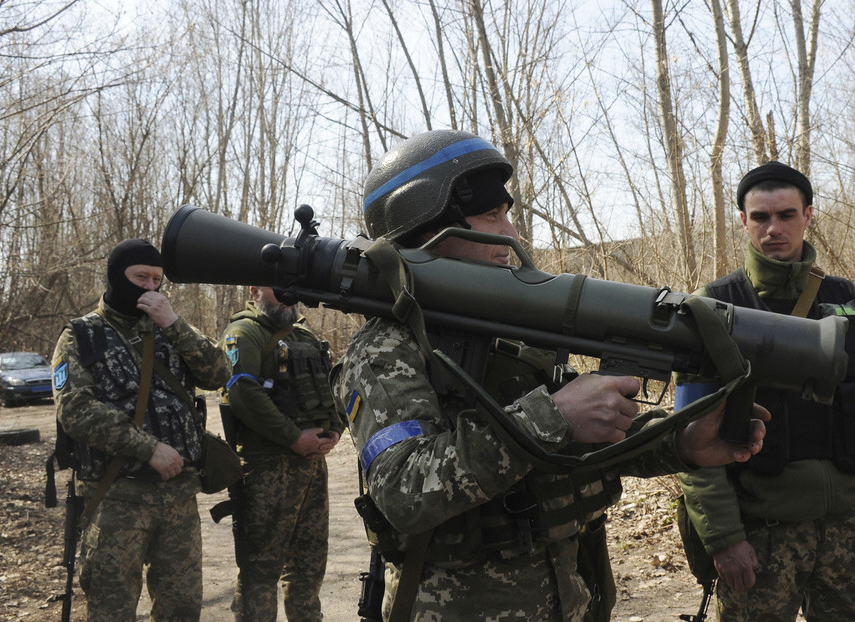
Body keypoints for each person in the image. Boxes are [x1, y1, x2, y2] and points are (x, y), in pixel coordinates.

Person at [330, 129, 770, 621]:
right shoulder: (386, 347)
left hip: (570, 601)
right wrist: (553, 414)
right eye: (492, 216)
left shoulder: (511, 330)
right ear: (427, 230)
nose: (511, 234)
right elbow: (403, 489)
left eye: (508, 214)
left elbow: (580, 445)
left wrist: (680, 441)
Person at [677, 161, 855, 621]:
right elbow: (691, 440)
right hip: (760, 532)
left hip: (848, 527)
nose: (774, 229)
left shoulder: (852, 302)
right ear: (742, 221)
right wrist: (725, 537)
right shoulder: (712, 308)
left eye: (787, 215)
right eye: (760, 217)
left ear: (808, 216)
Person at [52, 238, 230, 621]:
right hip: (118, 497)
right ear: (117, 276)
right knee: (111, 609)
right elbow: (75, 410)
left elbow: (219, 374)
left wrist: (176, 325)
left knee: (182, 609)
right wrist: (147, 448)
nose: (149, 287)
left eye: (156, 279)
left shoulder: (170, 329)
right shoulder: (81, 335)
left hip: (179, 498)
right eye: (140, 277)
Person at [220, 285, 344, 621]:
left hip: (313, 467)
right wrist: (293, 438)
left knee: (309, 563)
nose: (287, 297)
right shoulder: (244, 332)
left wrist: (334, 431)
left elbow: (330, 385)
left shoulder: (305, 334)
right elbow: (243, 393)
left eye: (292, 290)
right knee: (261, 567)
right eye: (278, 290)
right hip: (267, 469)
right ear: (255, 291)